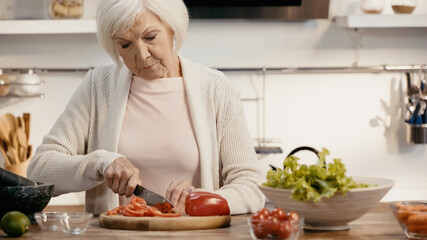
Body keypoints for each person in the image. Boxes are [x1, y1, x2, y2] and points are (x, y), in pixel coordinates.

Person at [27, 0, 265, 215]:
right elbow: (39, 170)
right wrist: (101, 163)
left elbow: (251, 187)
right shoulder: (97, 88)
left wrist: (201, 200)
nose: (142, 57)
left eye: (150, 38)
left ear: (172, 28)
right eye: (125, 45)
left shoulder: (216, 89)